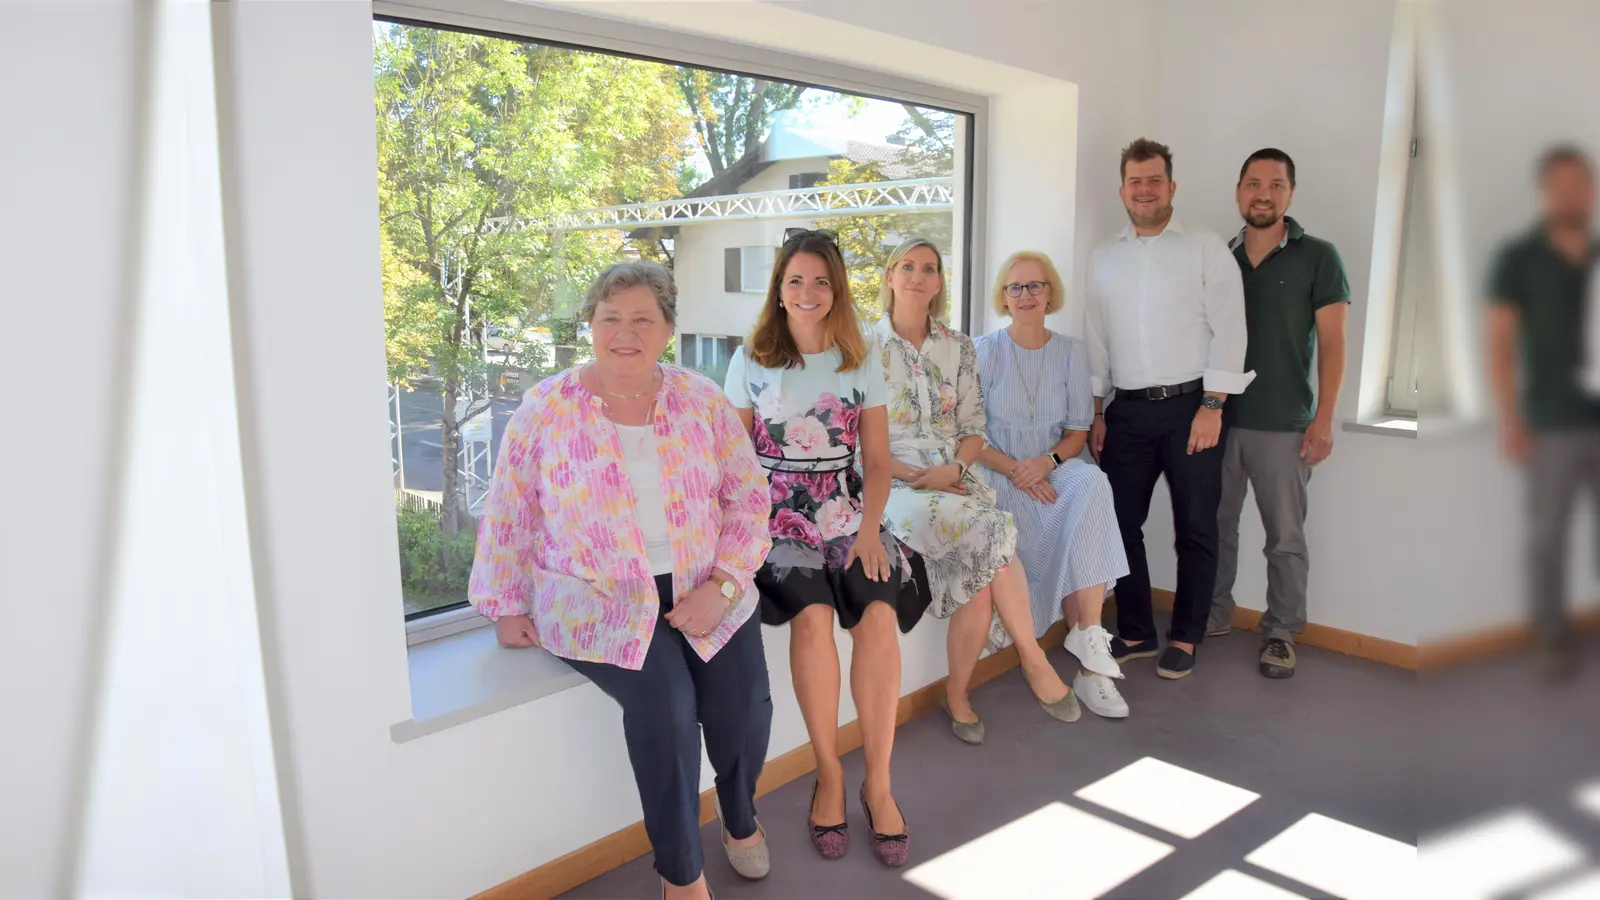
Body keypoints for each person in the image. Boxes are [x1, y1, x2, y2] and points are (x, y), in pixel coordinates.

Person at [469, 262, 774, 900]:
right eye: (610, 318)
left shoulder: (701, 398)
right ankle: (682, 872)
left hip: (704, 581)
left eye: (642, 319)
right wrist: (503, 603)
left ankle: (740, 819)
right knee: (665, 705)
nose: (625, 333)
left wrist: (720, 586)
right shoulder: (547, 407)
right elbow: (510, 506)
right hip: (598, 598)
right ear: (590, 324)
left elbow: (749, 501)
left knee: (742, 703)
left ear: (667, 328)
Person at [724, 228, 926, 868]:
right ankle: (829, 775)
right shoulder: (749, 359)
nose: (807, 292)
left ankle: (880, 783)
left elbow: (878, 460)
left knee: (879, 615)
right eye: (794, 281)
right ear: (778, 292)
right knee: (811, 619)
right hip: (776, 517)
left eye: (820, 281)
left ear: (835, 289)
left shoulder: (860, 358)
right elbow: (733, 463)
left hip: (848, 510)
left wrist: (870, 530)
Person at [873, 237, 1080, 746]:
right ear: (889, 277)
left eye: (928, 268)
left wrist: (957, 468)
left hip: (957, 479)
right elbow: (859, 440)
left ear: (940, 282)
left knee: (984, 571)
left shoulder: (958, 346)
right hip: (895, 486)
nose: (917, 277)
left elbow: (973, 428)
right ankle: (1034, 661)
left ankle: (958, 694)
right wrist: (919, 475)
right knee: (994, 532)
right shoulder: (862, 347)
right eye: (907, 267)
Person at [1086, 138, 1253, 681]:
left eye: (1155, 180)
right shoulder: (1104, 256)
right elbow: (1097, 337)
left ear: (1172, 186)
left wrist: (1213, 404)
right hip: (1127, 412)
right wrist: (1096, 409)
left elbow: (1231, 328)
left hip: (1192, 409)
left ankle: (1186, 636)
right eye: (1136, 181)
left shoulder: (1205, 247)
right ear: (1123, 189)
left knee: (1196, 527)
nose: (1146, 190)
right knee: (1119, 523)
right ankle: (1136, 631)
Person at [1206, 149, 1350, 680]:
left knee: (1285, 535)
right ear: (1238, 190)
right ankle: (1215, 614)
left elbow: (1333, 345)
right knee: (1214, 526)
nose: (1262, 193)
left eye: (1275, 184)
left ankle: (1282, 631)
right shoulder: (1220, 258)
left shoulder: (1319, 257)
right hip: (1219, 420)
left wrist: (1324, 418)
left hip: (1285, 425)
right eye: (1252, 183)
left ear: (1290, 193)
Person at [974, 250, 1131, 718]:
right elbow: (969, 436)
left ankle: (1088, 640)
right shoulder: (981, 351)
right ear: (1003, 297)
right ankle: (1092, 668)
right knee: (1081, 512)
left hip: (1052, 467)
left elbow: (1079, 432)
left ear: (1050, 293)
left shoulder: (1070, 351)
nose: (1026, 295)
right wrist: (1015, 470)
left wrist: (1045, 462)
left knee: (1092, 484)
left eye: (1035, 286)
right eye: (1015, 287)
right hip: (997, 473)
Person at [1488, 144, 1599, 678]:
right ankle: (1551, 639)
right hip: (1551, 425)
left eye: (1582, 184)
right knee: (1549, 537)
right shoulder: (1519, 259)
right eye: (1561, 185)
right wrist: (1510, 419)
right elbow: (1500, 345)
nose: (1573, 194)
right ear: (1545, 192)